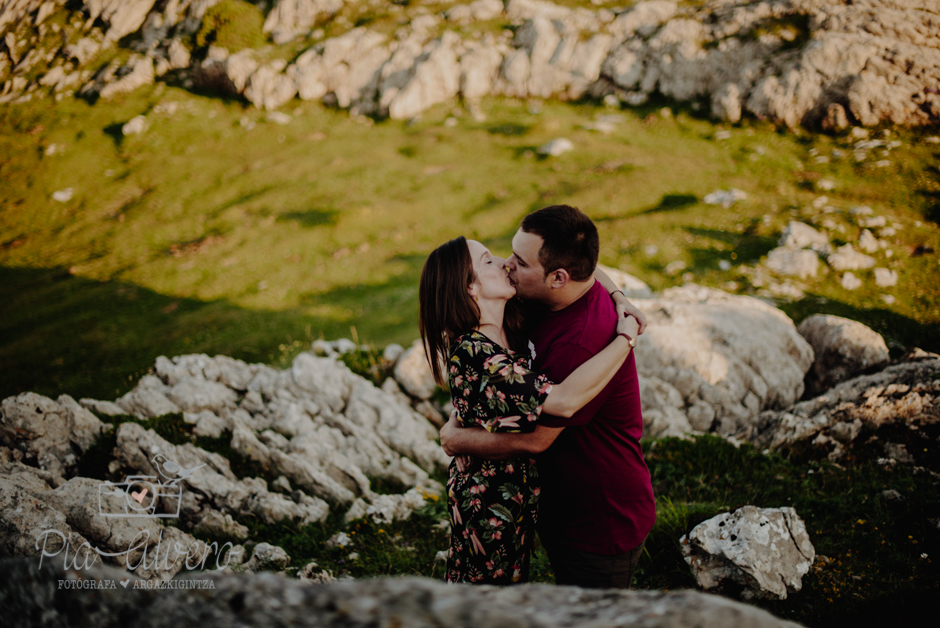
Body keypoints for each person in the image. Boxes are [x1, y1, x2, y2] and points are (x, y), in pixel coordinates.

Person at [440, 205, 656, 590]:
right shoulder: (538, 296)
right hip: (551, 505)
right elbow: (584, 268)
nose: (507, 265)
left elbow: (544, 430)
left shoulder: (579, 342)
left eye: (518, 262)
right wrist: (621, 295)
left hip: (599, 514)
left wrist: (455, 439)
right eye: (504, 255)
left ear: (558, 278)